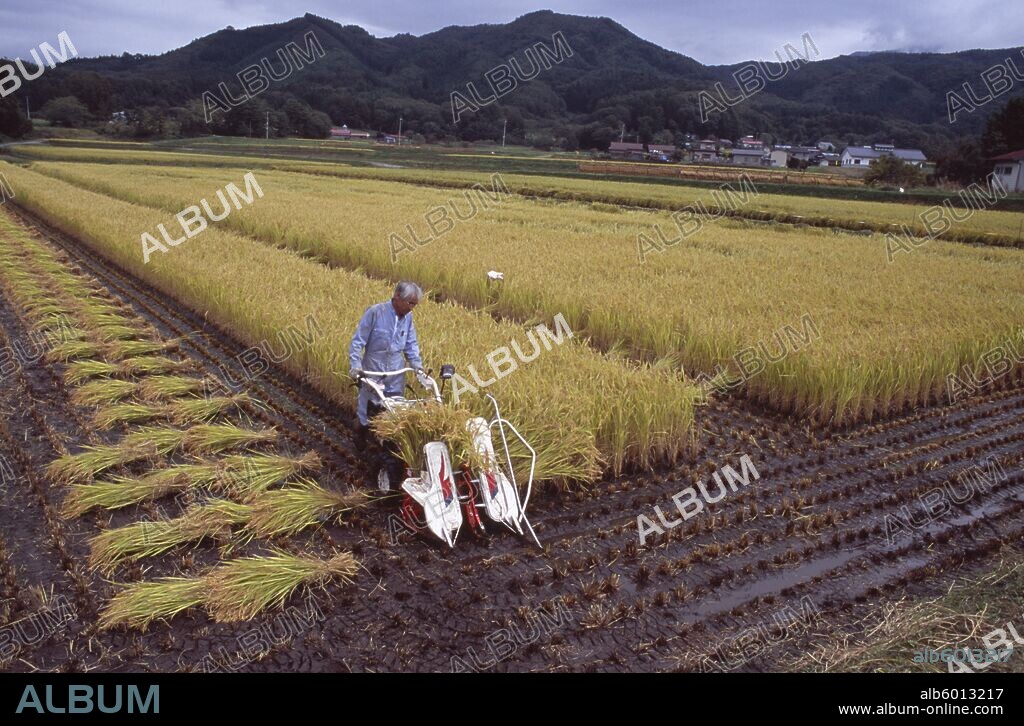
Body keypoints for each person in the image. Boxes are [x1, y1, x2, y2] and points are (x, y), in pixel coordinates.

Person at [348, 281, 425, 490]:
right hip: (372, 368)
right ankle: (361, 436)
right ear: (397, 298)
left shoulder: (408, 318)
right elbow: (358, 342)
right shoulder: (375, 313)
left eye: (415, 304)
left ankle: (389, 447)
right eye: (410, 302)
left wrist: (418, 368)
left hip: (395, 371)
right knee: (367, 410)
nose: (412, 307)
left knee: (393, 410)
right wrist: (356, 366)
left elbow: (411, 345)